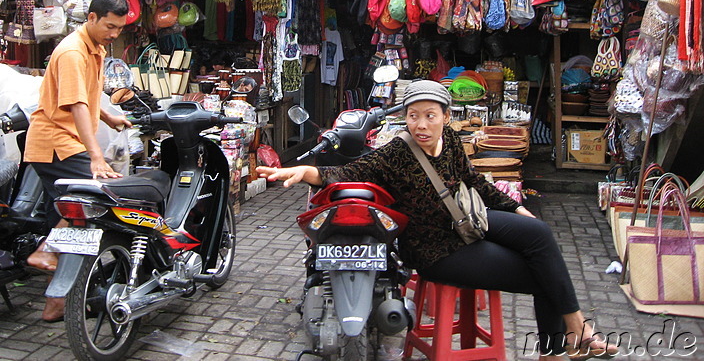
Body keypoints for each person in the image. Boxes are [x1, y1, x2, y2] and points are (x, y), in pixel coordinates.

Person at [257, 80, 619, 361]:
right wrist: (305, 171)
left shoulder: (451, 141)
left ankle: (572, 331)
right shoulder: (397, 152)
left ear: (446, 116)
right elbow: (349, 172)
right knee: (543, 277)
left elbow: (473, 182)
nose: (421, 124)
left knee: (538, 232)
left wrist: (513, 207)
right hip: (437, 250)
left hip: (466, 222)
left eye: (430, 115)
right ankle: (564, 340)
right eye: (414, 115)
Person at [23, 0, 132, 322]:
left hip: (66, 141)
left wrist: (110, 117)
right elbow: (77, 105)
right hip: (55, 142)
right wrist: (96, 156)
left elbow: (90, 94)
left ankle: (57, 302)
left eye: (119, 29)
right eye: (110, 27)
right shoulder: (72, 51)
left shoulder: (94, 49)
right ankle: (46, 251)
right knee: (94, 196)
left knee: (79, 213)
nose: (114, 34)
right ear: (92, 18)